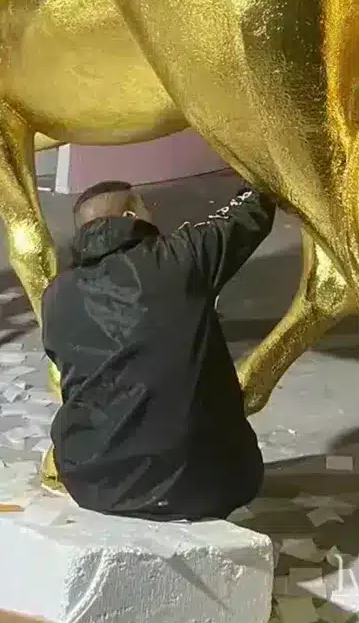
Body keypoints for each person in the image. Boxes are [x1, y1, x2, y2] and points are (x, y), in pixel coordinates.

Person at [44, 179, 277, 521]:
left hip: (95, 485)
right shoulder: (181, 256)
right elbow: (251, 214)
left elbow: (62, 364)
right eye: (145, 207)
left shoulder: (56, 295)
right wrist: (252, 178)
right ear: (129, 216)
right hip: (208, 486)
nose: (152, 213)